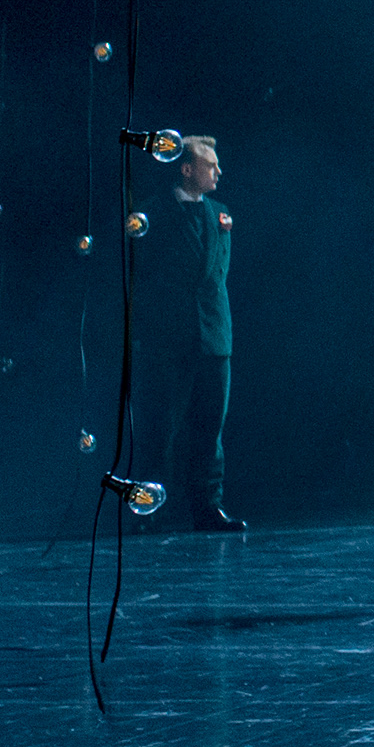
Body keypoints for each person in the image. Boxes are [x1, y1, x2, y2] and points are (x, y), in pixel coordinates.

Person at [132, 134, 245, 532]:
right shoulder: (152, 213)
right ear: (186, 169)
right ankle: (150, 510)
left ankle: (207, 507)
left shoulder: (220, 213)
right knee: (159, 428)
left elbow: (216, 277)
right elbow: (144, 277)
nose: (218, 171)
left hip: (213, 336)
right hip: (168, 339)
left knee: (209, 428)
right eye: (210, 165)